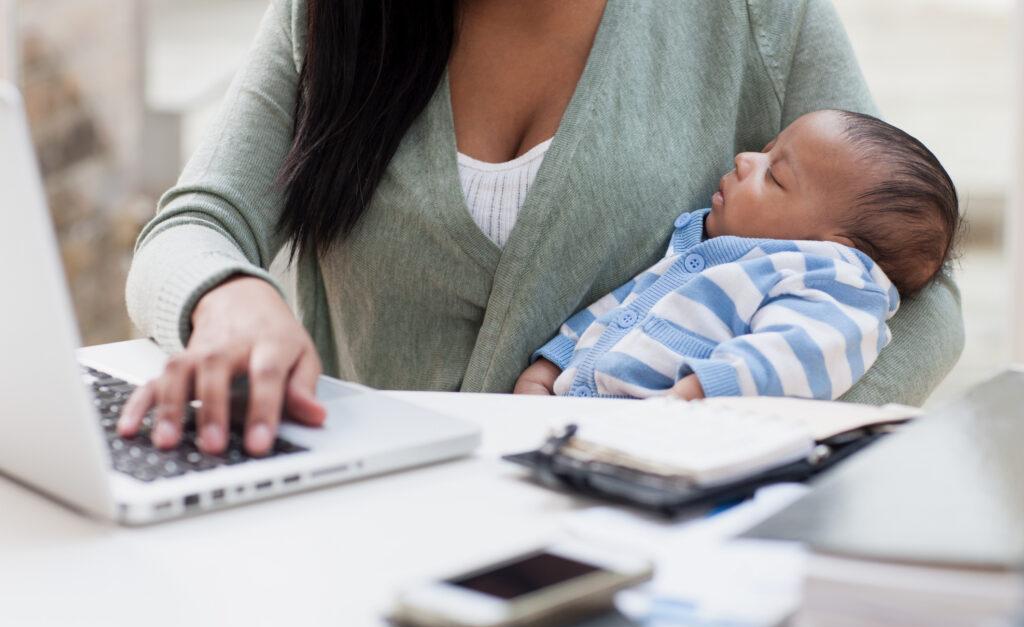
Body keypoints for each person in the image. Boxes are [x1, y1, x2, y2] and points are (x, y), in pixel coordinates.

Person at [118, 0, 964, 458]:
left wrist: (721, 447)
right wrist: (229, 299)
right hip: (350, 524)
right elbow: (196, 225)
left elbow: (920, 300)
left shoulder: (758, 18)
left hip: (624, 556)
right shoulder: (328, 19)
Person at [514, 110, 960, 399]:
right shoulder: (701, 252)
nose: (745, 159)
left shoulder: (833, 279)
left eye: (774, 177)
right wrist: (553, 364)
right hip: (576, 423)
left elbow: (803, 351)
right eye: (765, 151)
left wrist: (704, 390)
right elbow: (624, 305)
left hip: (666, 442)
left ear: (836, 247)